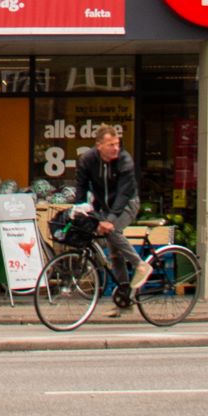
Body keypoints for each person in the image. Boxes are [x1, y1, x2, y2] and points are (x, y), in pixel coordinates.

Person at [64, 122, 143, 311]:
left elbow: (124, 192)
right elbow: (81, 186)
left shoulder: (124, 160)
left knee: (112, 230)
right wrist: (80, 208)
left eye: (117, 144)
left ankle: (140, 265)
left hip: (126, 204)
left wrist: (110, 219)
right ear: (99, 145)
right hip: (104, 206)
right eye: (111, 145)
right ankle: (126, 296)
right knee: (114, 252)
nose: (116, 148)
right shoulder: (87, 160)